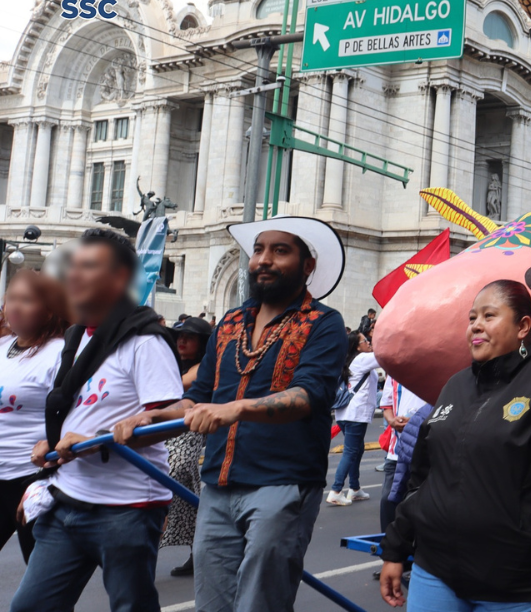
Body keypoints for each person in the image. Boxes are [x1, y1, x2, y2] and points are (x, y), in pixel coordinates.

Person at [114, 216, 347, 612]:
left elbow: (309, 395)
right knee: (211, 605)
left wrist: (235, 409)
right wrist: (151, 417)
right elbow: (201, 395)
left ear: (308, 266)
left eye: (280, 250)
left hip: (282, 484)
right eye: (258, 250)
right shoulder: (231, 322)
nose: (264, 260)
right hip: (218, 487)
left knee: (260, 603)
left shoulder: (325, 324)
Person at [380, 279, 531, 611]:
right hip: (435, 573)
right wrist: (396, 548)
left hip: (522, 587)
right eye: (471, 318)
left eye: (489, 315)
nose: (475, 325)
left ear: (523, 327)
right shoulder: (454, 386)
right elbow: (424, 479)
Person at [11, 229, 182, 612]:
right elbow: (71, 411)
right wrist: (48, 445)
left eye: (88, 266)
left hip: (127, 508)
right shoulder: (75, 338)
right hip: (66, 499)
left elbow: (174, 417)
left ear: (119, 278)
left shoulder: (144, 340)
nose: (73, 275)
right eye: (72, 266)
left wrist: (106, 436)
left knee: (131, 607)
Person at [0, 270, 68, 562]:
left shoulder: (60, 353)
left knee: (44, 589)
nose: (14, 307)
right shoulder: (4, 347)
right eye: (10, 298)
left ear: (50, 309)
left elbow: (75, 415)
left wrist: (46, 477)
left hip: (31, 478)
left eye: (26, 300)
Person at [163, 315, 214, 577]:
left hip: (187, 431)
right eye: (180, 336)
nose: (182, 341)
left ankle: (199, 546)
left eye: (189, 337)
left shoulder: (202, 367)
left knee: (177, 474)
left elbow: (177, 386)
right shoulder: (173, 363)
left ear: (202, 342)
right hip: (159, 431)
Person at [328, 331, 379, 506]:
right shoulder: (362, 359)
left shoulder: (350, 360)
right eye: (365, 340)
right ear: (357, 346)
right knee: (351, 451)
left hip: (346, 414)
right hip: (356, 414)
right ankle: (335, 491)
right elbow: (384, 355)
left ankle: (355, 488)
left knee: (358, 449)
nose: (369, 342)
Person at [378, 371, 429, 533]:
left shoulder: (433, 369)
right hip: (396, 451)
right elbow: (386, 406)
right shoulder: (393, 374)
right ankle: (387, 546)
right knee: (389, 500)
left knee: (421, 503)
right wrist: (392, 421)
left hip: (425, 451)